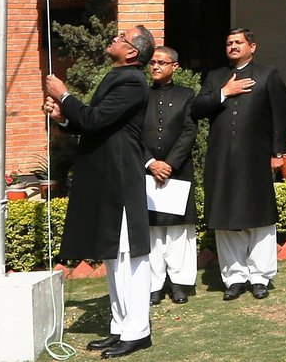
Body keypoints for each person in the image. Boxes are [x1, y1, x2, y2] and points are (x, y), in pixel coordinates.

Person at [44, 25, 156, 359]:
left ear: (133, 52)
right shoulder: (117, 77)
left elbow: (95, 119)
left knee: (128, 256)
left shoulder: (133, 82)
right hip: (106, 175)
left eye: (121, 37)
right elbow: (92, 124)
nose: (114, 38)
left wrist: (64, 95)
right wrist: (64, 118)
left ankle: (138, 331)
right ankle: (121, 327)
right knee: (113, 255)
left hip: (121, 176)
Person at [191, 28, 286, 301]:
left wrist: (278, 151)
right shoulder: (215, 77)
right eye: (229, 43)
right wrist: (223, 92)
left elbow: (280, 116)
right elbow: (196, 109)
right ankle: (234, 277)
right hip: (221, 158)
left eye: (238, 42)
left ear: (252, 46)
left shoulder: (268, 74)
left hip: (256, 157)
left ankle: (260, 277)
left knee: (260, 217)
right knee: (226, 218)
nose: (233, 46)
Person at [142, 46, 198, 305]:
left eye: (162, 62)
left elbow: (189, 131)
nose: (156, 67)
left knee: (177, 232)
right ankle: (154, 284)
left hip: (177, 171)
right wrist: (152, 163)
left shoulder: (187, 95)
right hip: (146, 171)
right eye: (153, 62)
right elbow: (132, 133)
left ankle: (179, 284)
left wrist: (169, 164)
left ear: (174, 66)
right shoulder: (141, 95)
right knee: (152, 231)